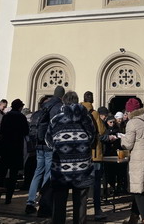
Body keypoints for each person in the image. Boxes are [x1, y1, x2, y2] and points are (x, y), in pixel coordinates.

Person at [45, 90, 95, 224]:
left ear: (63, 102)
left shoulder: (56, 119)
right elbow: (92, 137)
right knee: (81, 202)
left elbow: (48, 141)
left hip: (61, 168)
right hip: (82, 167)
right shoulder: (87, 118)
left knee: (59, 202)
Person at [28, 86, 65, 217]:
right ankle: (43, 201)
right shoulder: (59, 107)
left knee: (38, 172)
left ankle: (30, 201)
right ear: (62, 96)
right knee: (48, 174)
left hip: (39, 144)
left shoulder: (45, 104)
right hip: (50, 145)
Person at [121, 98, 144, 224]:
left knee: (138, 190)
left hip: (139, 160)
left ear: (130, 111)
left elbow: (128, 144)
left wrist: (122, 139)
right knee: (141, 188)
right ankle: (134, 218)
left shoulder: (132, 123)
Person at [81, 91, 108, 222]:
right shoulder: (94, 113)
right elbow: (102, 131)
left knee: (82, 184)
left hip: (81, 153)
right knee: (96, 184)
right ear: (92, 100)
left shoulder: (78, 112)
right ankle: (97, 211)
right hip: (95, 154)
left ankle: (81, 212)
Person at [0, 98, 29, 203]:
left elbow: (2, 130)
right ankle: (8, 198)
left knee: (2, 173)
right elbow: (26, 131)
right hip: (16, 148)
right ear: (19, 107)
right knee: (13, 175)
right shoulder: (22, 117)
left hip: (6, 148)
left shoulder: (6, 116)